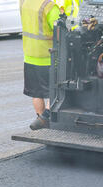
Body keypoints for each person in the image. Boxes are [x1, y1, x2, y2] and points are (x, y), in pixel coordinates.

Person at [20, 0, 60, 130]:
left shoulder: (23, 2)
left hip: (30, 54)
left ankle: (41, 121)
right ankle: (45, 116)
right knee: (56, 89)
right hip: (47, 55)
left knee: (36, 92)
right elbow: (59, 31)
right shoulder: (49, 6)